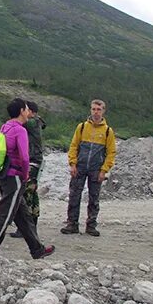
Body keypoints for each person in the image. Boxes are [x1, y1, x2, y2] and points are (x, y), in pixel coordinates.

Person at [0, 98, 56, 259]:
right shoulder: (20, 130)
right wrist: (26, 174)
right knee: (4, 215)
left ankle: (37, 249)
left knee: (23, 215)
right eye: (27, 109)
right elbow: (24, 157)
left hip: (3, 175)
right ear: (22, 111)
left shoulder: (5, 126)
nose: (29, 112)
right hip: (14, 178)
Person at [61, 99, 117, 237]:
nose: (96, 112)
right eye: (93, 109)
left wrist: (104, 170)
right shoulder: (81, 127)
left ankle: (91, 225)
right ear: (90, 110)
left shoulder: (108, 131)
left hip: (96, 169)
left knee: (94, 198)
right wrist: (72, 164)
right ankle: (72, 224)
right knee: (74, 195)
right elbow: (74, 146)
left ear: (103, 111)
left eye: (99, 109)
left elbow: (111, 152)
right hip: (79, 167)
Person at [12, 101, 45, 238]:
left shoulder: (32, 123)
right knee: (31, 193)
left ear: (31, 112)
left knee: (27, 194)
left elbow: (17, 123)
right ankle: (30, 227)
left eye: (25, 110)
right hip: (34, 161)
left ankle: (27, 228)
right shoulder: (35, 123)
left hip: (32, 162)